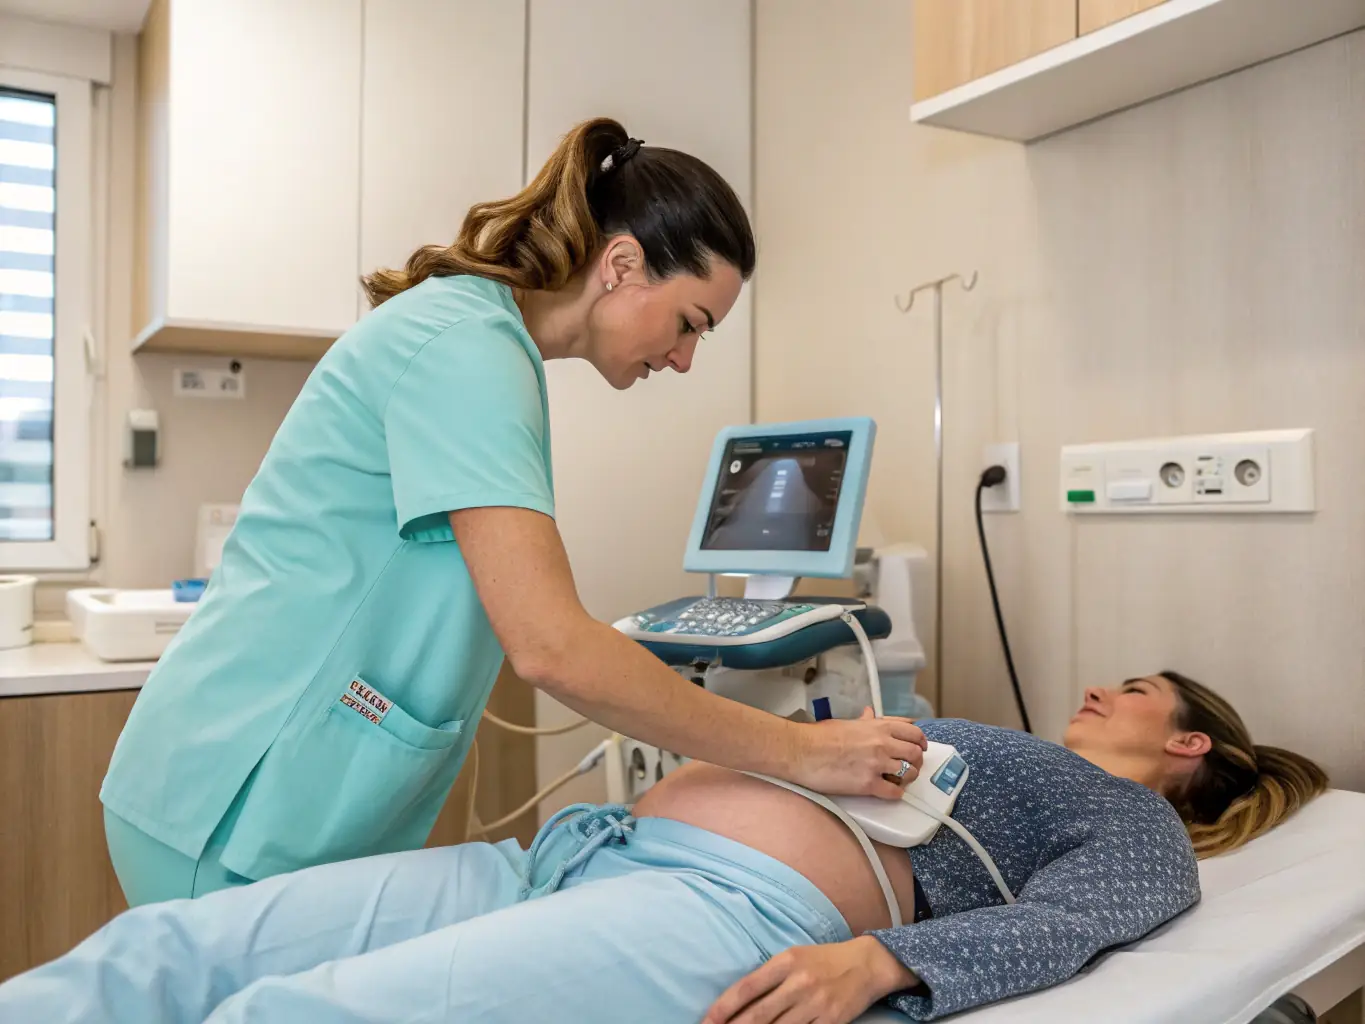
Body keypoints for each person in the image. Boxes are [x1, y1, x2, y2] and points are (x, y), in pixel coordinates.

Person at [95, 117, 928, 907]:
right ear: (622, 264)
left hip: (271, 781)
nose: (682, 358)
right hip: (235, 796)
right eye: (688, 324)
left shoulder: (483, 342)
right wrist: (803, 753)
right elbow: (552, 648)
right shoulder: (467, 351)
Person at [0, 671, 1327, 1023]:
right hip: (569, 858)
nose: (1105, 689)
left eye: (1139, 690)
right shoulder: (999, 741)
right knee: (170, 950)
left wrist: (880, 966)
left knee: (307, 1015)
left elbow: (1074, 923)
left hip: (726, 912)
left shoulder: (1135, 821)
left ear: (1191, 745)